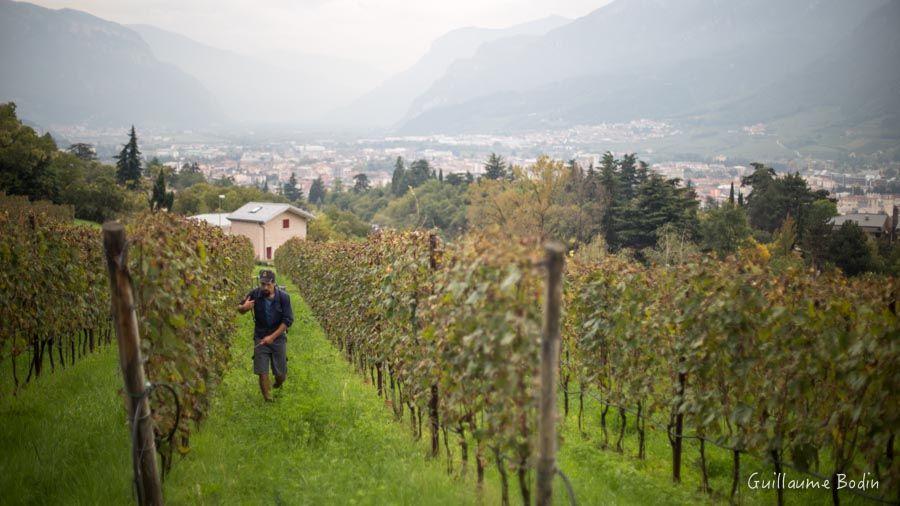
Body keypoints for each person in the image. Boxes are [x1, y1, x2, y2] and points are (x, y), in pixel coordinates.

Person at [238, 269, 293, 401]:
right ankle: (268, 400)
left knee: (281, 375)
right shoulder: (255, 294)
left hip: (278, 337)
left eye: (268, 284)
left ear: (274, 283)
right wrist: (243, 308)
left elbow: (288, 321)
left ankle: (278, 383)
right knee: (262, 371)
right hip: (260, 336)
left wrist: (272, 337)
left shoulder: (284, 298)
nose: (265, 287)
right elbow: (239, 308)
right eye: (262, 284)